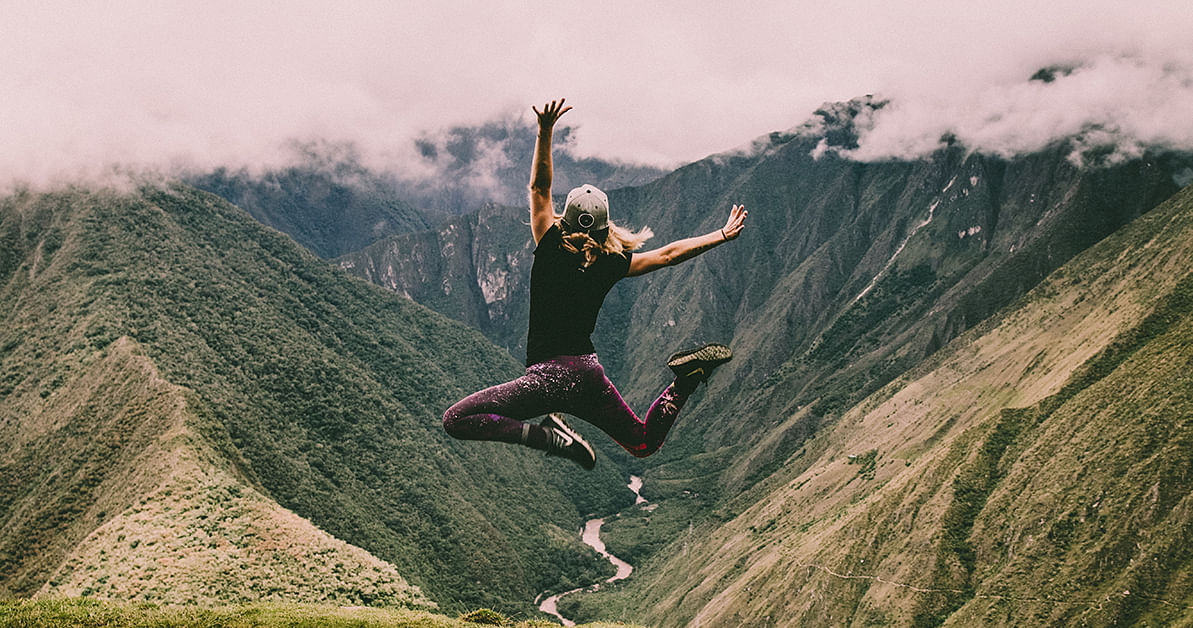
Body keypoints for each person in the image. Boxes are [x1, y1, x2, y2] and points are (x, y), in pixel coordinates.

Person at [442, 98, 747, 469]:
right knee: (642, 442)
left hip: (547, 379)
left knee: (456, 420)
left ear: (564, 219)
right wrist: (721, 234)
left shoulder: (550, 243)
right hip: (588, 375)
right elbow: (667, 255)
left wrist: (545, 130)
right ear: (606, 227)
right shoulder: (611, 262)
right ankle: (684, 382)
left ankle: (548, 438)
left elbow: (539, 187)